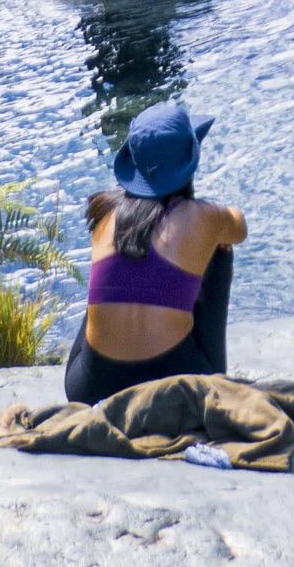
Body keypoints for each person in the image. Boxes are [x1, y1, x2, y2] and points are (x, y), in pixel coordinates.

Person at [62, 98, 247, 403]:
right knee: (222, 246)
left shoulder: (103, 211)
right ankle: (217, 380)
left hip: (87, 388)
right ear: (190, 163)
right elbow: (239, 229)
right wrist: (207, 234)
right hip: (173, 388)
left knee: (117, 274)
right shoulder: (203, 216)